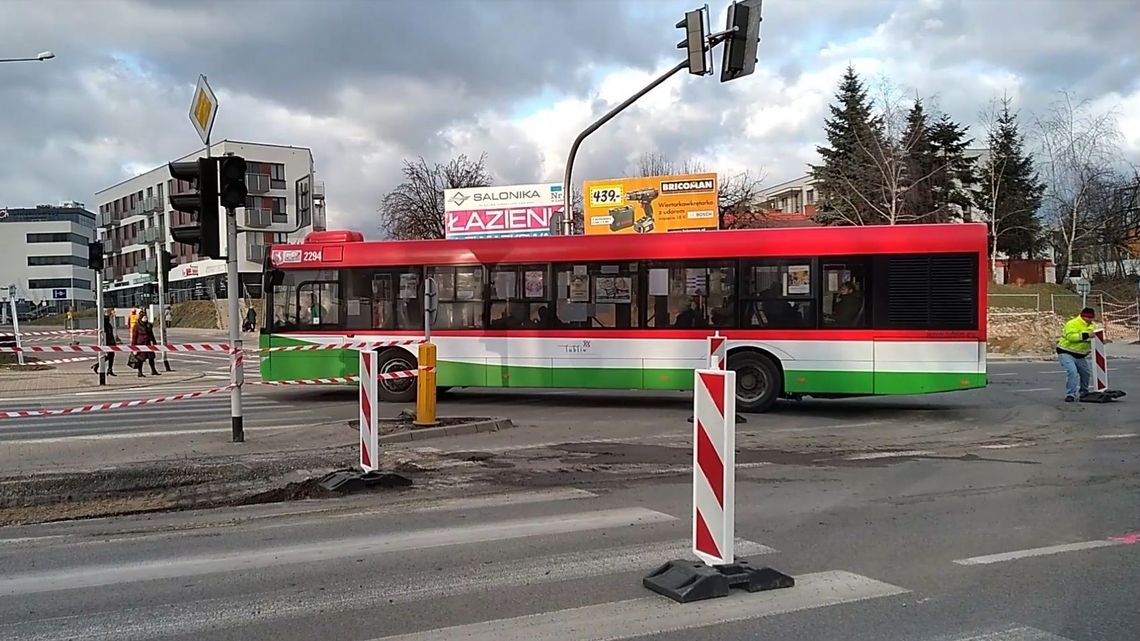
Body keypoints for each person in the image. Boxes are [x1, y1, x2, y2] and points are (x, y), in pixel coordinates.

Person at [1057, 307, 1097, 402]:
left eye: (1092, 318)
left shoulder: (1093, 326)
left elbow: (1093, 338)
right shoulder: (1072, 323)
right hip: (1066, 351)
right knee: (1072, 372)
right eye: (1089, 318)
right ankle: (1070, 394)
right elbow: (1070, 337)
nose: (1091, 320)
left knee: (1085, 373)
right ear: (1084, 317)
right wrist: (1087, 335)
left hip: (1080, 354)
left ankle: (1084, 392)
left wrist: (1099, 341)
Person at [131, 311, 161, 377]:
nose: (145, 319)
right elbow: (134, 337)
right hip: (140, 344)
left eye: (146, 317)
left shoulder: (148, 325)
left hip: (148, 344)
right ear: (141, 318)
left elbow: (151, 334)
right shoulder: (136, 326)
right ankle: (140, 372)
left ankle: (153, 370)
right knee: (140, 359)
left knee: (151, 358)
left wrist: (154, 342)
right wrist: (134, 348)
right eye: (144, 317)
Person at [92, 310, 118, 376]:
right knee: (108, 356)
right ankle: (98, 365)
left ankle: (109, 369)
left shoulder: (108, 323)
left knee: (111, 355)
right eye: (108, 315)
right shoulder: (104, 323)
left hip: (111, 341)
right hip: (107, 341)